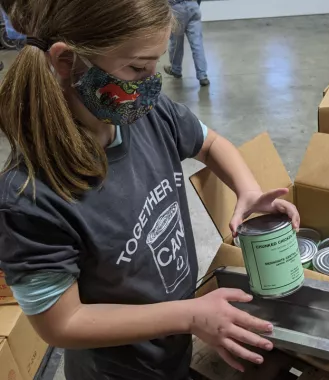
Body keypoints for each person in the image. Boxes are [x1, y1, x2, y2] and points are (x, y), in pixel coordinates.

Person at [0, 1, 299, 379]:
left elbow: (210, 143)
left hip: (171, 344)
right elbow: (61, 323)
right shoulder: (31, 198)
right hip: (117, 369)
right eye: (138, 68)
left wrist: (248, 189)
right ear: (67, 62)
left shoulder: (148, 114)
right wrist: (189, 315)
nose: (151, 82)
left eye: (155, 65)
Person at [164, 0, 210, 87]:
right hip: (193, 6)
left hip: (176, 8)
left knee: (176, 43)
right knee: (197, 44)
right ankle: (202, 76)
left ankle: (176, 70)